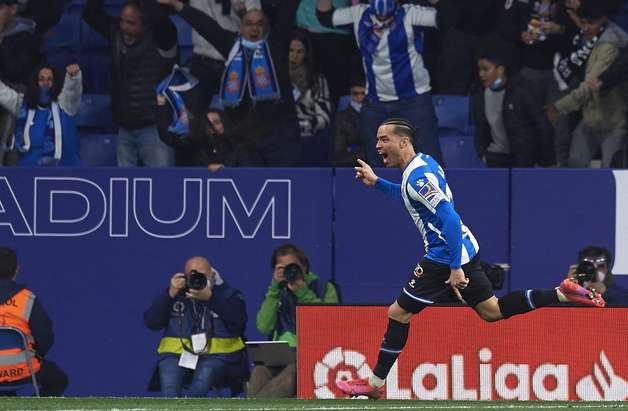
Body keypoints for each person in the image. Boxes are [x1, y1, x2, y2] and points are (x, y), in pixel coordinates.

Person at [338, 117, 605, 399]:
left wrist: (454, 268)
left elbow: (450, 219)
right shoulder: (422, 164)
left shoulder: (417, 177)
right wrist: (377, 182)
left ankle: (375, 383)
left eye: (384, 139)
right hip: (465, 247)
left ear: (403, 141)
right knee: (492, 311)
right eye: (378, 139)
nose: (378, 145)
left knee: (398, 313)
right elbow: (410, 196)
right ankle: (560, 294)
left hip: (443, 255)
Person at [157, 0, 303, 167]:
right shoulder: (232, 48)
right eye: (248, 24)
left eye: (259, 24)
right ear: (241, 28)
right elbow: (207, 26)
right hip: (249, 139)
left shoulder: (276, 47)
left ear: (266, 29)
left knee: (287, 189)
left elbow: (287, 11)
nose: (254, 28)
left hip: (281, 137)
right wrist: (177, 5)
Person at [316, 0, 444, 166]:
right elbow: (325, 17)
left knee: (428, 161)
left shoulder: (410, 14)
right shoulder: (359, 14)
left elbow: (444, 18)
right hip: (376, 103)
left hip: (414, 101)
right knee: (378, 164)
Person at [0, 246, 68, 396]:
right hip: (20, 369)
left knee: (3, 387)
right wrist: (35, 355)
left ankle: (0, 398)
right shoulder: (26, 299)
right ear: (17, 270)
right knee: (58, 380)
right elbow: (45, 336)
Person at [83, 0, 178, 167]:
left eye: (131, 23)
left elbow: (161, 19)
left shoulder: (163, 37)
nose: (124, 27)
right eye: (122, 21)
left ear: (145, 23)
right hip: (125, 129)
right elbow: (90, 14)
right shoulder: (116, 33)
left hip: (156, 130)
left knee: (162, 187)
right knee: (125, 191)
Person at [144, 256, 248, 397]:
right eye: (192, 276)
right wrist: (170, 294)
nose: (197, 280)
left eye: (202, 276)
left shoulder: (228, 294)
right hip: (175, 354)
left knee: (201, 382)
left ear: (211, 276)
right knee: (169, 388)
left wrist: (211, 299)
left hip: (217, 356)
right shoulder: (175, 294)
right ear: (185, 277)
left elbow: (239, 322)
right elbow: (152, 323)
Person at [249, 244, 339, 398]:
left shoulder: (324, 287)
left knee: (292, 374)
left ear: (304, 267)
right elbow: (264, 327)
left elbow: (329, 321)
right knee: (259, 372)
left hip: (311, 354)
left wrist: (303, 292)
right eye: (283, 269)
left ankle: (248, 408)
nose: (289, 272)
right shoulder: (275, 291)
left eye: (293, 267)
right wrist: (274, 290)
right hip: (280, 355)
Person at [0, 43, 82, 166]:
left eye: (50, 79)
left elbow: (72, 92)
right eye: (41, 79)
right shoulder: (21, 104)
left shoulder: (65, 104)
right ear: (35, 82)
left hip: (64, 174)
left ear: (55, 83)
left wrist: (73, 78)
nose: (45, 83)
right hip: (29, 173)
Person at [550, 2, 628, 168]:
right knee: (575, 168)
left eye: (591, 23)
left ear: (603, 20)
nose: (585, 28)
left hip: (613, 123)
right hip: (590, 120)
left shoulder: (610, 44)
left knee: (613, 175)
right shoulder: (587, 41)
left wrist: (559, 107)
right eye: (583, 22)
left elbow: (590, 86)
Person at [472, 50, 555, 167]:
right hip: (494, 158)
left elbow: (541, 125)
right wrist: (483, 155)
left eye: (486, 69)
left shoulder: (521, 92)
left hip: (522, 159)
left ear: (500, 70)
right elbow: (480, 130)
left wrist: (545, 160)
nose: (481, 74)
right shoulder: (479, 96)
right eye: (479, 70)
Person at [289, 31, 332, 166]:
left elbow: (324, 117)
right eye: (291, 50)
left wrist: (302, 127)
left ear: (306, 54)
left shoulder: (316, 80)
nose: (294, 56)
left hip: (308, 138)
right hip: (281, 140)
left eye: (299, 51)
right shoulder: (275, 79)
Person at [333, 78, 366, 167]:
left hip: (372, 161)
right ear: (350, 95)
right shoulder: (341, 117)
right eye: (355, 93)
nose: (359, 97)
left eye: (363, 93)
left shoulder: (374, 116)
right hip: (349, 161)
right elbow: (339, 148)